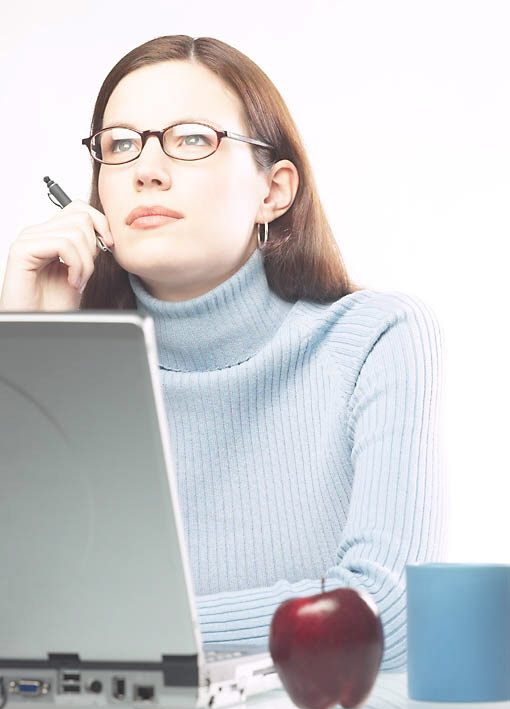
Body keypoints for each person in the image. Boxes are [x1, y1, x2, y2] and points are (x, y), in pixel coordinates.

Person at [0, 35, 447, 669]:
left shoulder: (379, 338)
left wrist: (107, 629)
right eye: (120, 145)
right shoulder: (70, 364)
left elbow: (391, 615)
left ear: (274, 191)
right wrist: (34, 353)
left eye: (189, 139)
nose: (145, 170)